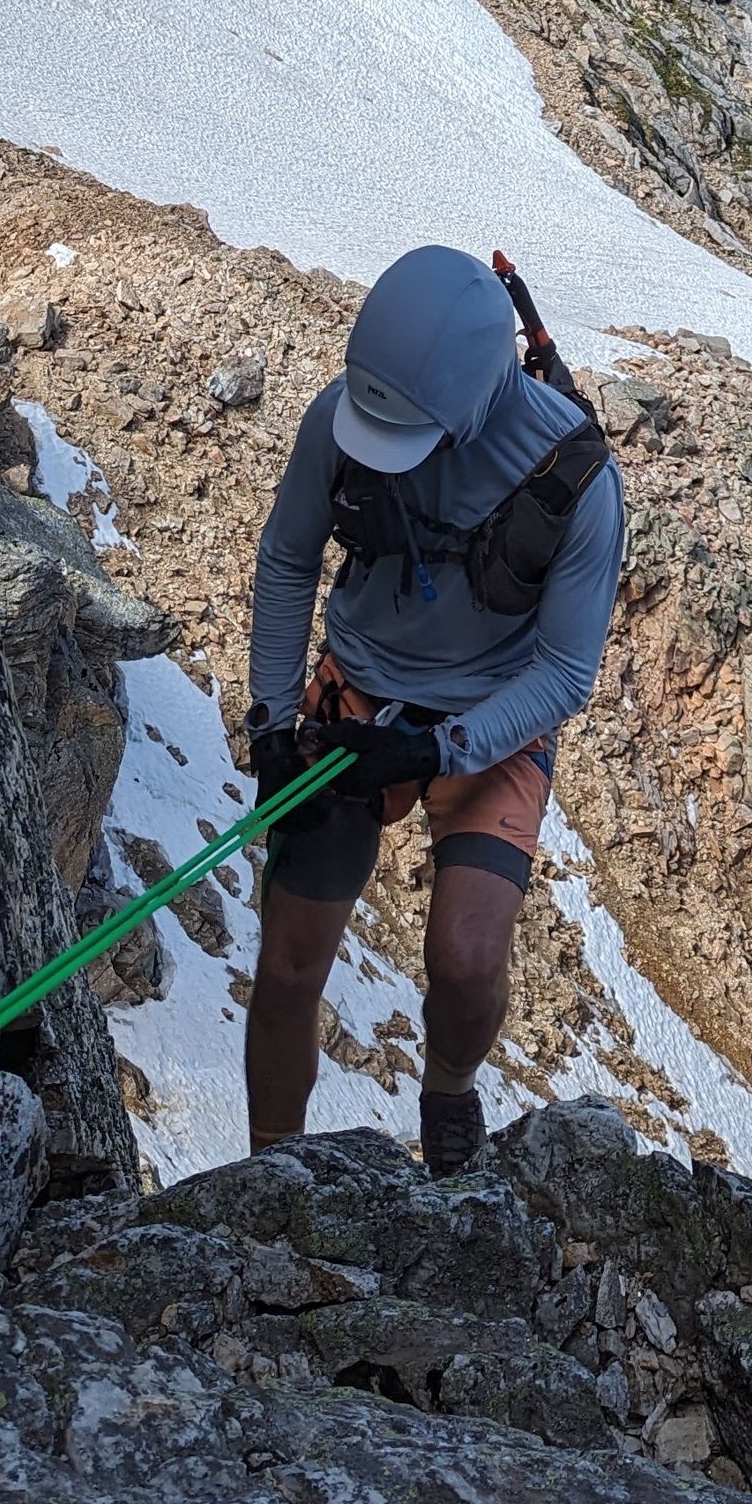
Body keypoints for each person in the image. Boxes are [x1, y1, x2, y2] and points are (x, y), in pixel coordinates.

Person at [243, 244, 626, 1174]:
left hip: (492, 720)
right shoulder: (344, 419)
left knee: (463, 961)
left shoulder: (578, 482)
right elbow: (289, 558)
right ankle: (270, 1173)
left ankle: (449, 1088)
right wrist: (268, 720)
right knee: (290, 967)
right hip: (358, 695)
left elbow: (566, 675)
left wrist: (438, 749)